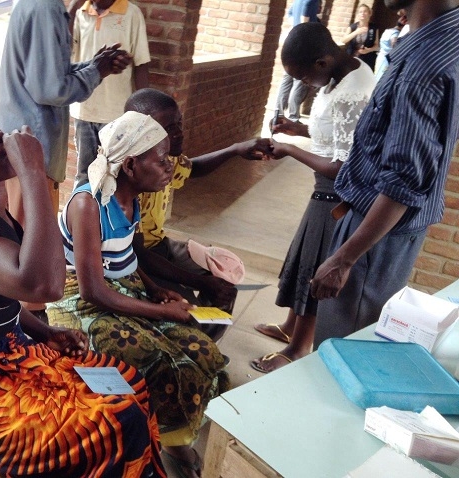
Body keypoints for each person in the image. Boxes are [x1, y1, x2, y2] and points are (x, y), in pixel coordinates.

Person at [0, 100, 165, 478]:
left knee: (128, 383)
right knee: (110, 425)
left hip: (7, 352)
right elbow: (43, 284)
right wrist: (31, 172)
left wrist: (46, 331)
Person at [46, 111, 229, 478]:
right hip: (80, 297)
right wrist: (160, 312)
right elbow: (93, 289)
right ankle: (150, 443)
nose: (168, 167)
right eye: (160, 160)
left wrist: (156, 289)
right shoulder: (89, 204)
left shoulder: (133, 195)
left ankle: (174, 439)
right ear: (130, 164)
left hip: (121, 286)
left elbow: (127, 254)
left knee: (202, 351)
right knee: (154, 358)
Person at [311, 0, 459, 347]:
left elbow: (404, 181)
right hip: (388, 230)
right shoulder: (445, 38)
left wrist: (344, 259)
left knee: (342, 346)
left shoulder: (422, 67)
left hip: (375, 232)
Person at [251, 22, 376, 373]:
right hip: (322, 188)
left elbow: (344, 166)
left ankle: (297, 349)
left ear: (322, 62)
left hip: (336, 191)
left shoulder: (354, 89)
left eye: (304, 77)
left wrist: (290, 149)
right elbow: (337, 131)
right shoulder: (341, 75)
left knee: (315, 262)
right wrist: (299, 129)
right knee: (304, 256)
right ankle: (292, 326)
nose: (304, 84)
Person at [0, 0, 131, 317]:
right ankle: (23, 316)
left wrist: (94, 66)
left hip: (30, 145)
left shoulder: (50, 8)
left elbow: (51, 75)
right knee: (27, 237)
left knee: (25, 233)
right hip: (30, 150)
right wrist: (96, 70)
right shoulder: (44, 8)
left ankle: (22, 311)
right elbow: (49, 89)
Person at [124, 88, 270, 341]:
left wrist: (235, 149)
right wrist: (199, 283)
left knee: (224, 284)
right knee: (188, 308)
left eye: (179, 123)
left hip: (158, 244)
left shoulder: (165, 160)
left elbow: (192, 169)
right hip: (139, 258)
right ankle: (194, 347)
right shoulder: (135, 179)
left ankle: (207, 347)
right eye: (169, 128)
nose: (179, 132)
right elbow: (138, 255)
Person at [70, 0, 151, 188]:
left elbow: (141, 64)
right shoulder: (81, 12)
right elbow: (65, 52)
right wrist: (72, 10)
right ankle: (80, 215)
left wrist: (141, 115)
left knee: (114, 177)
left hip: (117, 114)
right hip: (85, 111)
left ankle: (106, 217)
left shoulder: (131, 14)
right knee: (85, 174)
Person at [275, 0, 321, 123]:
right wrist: (302, 29)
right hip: (303, 44)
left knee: (287, 80)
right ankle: (293, 116)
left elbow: (290, 13)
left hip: (293, 43)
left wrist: (296, 27)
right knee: (299, 81)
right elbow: (306, 10)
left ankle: (278, 113)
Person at [342, 4, 380, 71]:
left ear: (369, 14)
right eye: (360, 12)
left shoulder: (373, 28)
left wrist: (368, 50)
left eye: (365, 11)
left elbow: (377, 45)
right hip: (352, 57)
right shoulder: (353, 27)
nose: (362, 13)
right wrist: (356, 32)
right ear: (358, 14)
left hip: (367, 59)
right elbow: (343, 40)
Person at [374, 9, 407, 80]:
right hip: (386, 61)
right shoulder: (395, 33)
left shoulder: (388, 31)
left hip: (380, 58)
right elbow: (394, 44)